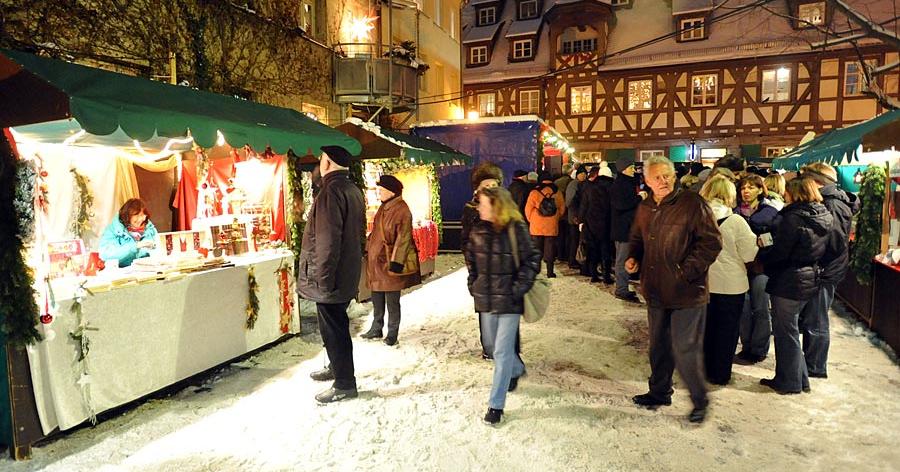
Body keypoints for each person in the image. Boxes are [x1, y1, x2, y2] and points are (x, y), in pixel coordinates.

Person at [626, 155, 722, 423]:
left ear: (674, 176)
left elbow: (711, 243)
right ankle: (659, 392)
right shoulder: (646, 207)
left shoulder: (692, 203)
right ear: (646, 181)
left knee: (684, 348)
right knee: (658, 346)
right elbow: (637, 238)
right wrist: (633, 257)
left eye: (667, 175)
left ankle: (699, 400)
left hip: (687, 292)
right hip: (655, 290)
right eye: (657, 177)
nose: (663, 180)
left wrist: (685, 272)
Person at [465, 186, 542, 426]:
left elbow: (532, 258)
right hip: (485, 298)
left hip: (509, 299)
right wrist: (473, 283)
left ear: (496, 206)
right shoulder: (477, 229)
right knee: (491, 345)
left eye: (484, 204)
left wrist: (518, 287)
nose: (479, 208)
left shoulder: (515, 228)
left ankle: (495, 406)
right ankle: (516, 368)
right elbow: (471, 260)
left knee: (500, 352)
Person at [298, 145, 366, 404]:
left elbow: (327, 242)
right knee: (333, 325)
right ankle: (336, 369)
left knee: (335, 328)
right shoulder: (351, 189)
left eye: (320, 160)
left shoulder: (331, 192)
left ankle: (345, 383)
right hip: (344, 272)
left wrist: (323, 279)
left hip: (331, 276)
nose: (317, 165)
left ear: (327, 163)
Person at [758, 177, 833, 394]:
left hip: (789, 280)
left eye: (787, 192)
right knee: (790, 330)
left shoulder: (792, 218)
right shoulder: (823, 214)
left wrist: (764, 253)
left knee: (786, 333)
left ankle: (788, 382)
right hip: (809, 277)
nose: (784, 195)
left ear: (795, 193)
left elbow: (780, 253)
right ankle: (800, 379)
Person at [798, 163, 859, 379]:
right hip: (824, 269)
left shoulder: (833, 204)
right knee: (814, 318)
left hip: (825, 270)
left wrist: (813, 256)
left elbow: (834, 242)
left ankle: (815, 367)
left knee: (817, 319)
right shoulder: (831, 200)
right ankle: (811, 363)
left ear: (817, 182)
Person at [699, 176, 758, 385]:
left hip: (703, 283)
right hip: (732, 285)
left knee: (706, 328)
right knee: (727, 331)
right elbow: (749, 254)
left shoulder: (698, 220)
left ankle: (704, 369)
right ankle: (720, 373)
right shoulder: (736, 222)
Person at [361, 175, 421, 346]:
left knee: (392, 300)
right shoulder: (383, 207)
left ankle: (392, 333)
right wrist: (368, 248)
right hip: (377, 262)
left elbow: (404, 238)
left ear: (391, 191)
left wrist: (396, 262)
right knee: (376, 295)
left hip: (389, 262)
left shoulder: (402, 210)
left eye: (381, 190)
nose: (379, 193)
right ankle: (376, 327)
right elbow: (376, 233)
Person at [460, 162, 508, 360]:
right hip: (481, 268)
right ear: (477, 188)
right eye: (485, 185)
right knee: (486, 310)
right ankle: (489, 348)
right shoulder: (471, 209)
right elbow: (465, 240)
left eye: (493, 184)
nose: (489, 188)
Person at [734, 174, 781, 365]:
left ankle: (759, 348)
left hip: (761, 266)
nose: (746, 191)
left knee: (761, 307)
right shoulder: (734, 212)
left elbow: (775, 239)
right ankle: (746, 346)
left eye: (751, 187)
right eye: (743, 188)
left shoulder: (770, 212)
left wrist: (761, 242)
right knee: (743, 308)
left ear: (760, 190)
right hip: (740, 266)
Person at [611, 156, 646, 302]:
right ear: (624, 169)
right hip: (623, 229)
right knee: (622, 260)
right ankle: (621, 289)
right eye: (631, 167)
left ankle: (623, 287)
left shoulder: (626, 183)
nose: (634, 170)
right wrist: (639, 198)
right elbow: (621, 205)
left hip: (627, 228)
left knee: (626, 258)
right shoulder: (620, 184)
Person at [525, 172, 565, 278]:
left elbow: (528, 209)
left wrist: (531, 220)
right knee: (550, 248)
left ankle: (535, 271)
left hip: (536, 224)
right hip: (551, 224)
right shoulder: (557, 192)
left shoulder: (534, 192)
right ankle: (550, 272)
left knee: (536, 249)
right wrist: (556, 218)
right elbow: (562, 208)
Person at [99, 198, 158, 268]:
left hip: (148, 271)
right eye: (137, 215)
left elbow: (159, 250)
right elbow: (105, 255)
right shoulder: (114, 229)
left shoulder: (149, 229)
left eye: (143, 215)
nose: (141, 219)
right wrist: (135, 246)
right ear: (127, 216)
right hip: (122, 273)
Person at [580, 167, 614, 283]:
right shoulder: (612, 187)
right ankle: (606, 276)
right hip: (607, 223)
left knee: (593, 249)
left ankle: (594, 274)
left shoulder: (590, 188)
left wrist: (581, 220)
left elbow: (584, 206)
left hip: (591, 223)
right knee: (606, 251)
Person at [565, 165, 587, 269]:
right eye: (582, 174)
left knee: (578, 240)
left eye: (584, 174)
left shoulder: (582, 184)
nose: (584, 176)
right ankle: (572, 260)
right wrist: (575, 215)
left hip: (580, 217)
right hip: (574, 217)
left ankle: (578, 259)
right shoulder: (574, 185)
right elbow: (569, 202)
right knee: (574, 240)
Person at [555, 166, 573, 264]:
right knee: (568, 235)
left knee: (560, 234)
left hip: (558, 212)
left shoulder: (556, 182)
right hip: (567, 212)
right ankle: (566, 254)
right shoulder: (570, 182)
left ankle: (560, 254)